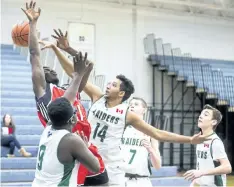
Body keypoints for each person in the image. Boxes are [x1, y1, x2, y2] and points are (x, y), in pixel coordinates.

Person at [42, 29, 211, 186]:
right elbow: (76, 74)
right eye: (109, 83)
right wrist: (60, 50)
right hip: (87, 159)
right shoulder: (98, 97)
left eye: (114, 85)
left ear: (121, 93)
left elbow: (157, 133)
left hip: (111, 167)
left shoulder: (127, 115)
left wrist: (189, 140)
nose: (108, 85)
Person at [22, 1, 107, 186]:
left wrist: (67, 48)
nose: (49, 68)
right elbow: (35, 55)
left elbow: (88, 66)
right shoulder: (45, 98)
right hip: (70, 150)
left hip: (85, 146)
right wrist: (32, 25)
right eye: (44, 69)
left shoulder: (68, 91)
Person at [184, 105, 232, 187]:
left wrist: (201, 172)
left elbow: (227, 167)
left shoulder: (215, 142)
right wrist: (195, 180)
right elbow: (203, 165)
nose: (200, 116)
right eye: (201, 114)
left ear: (213, 122)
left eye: (205, 115)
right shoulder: (199, 139)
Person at [121, 97, 161, 187]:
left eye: (136, 104)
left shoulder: (150, 132)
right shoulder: (120, 129)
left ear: (144, 110)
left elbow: (157, 166)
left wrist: (150, 149)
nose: (132, 106)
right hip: (121, 179)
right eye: (130, 104)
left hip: (142, 181)